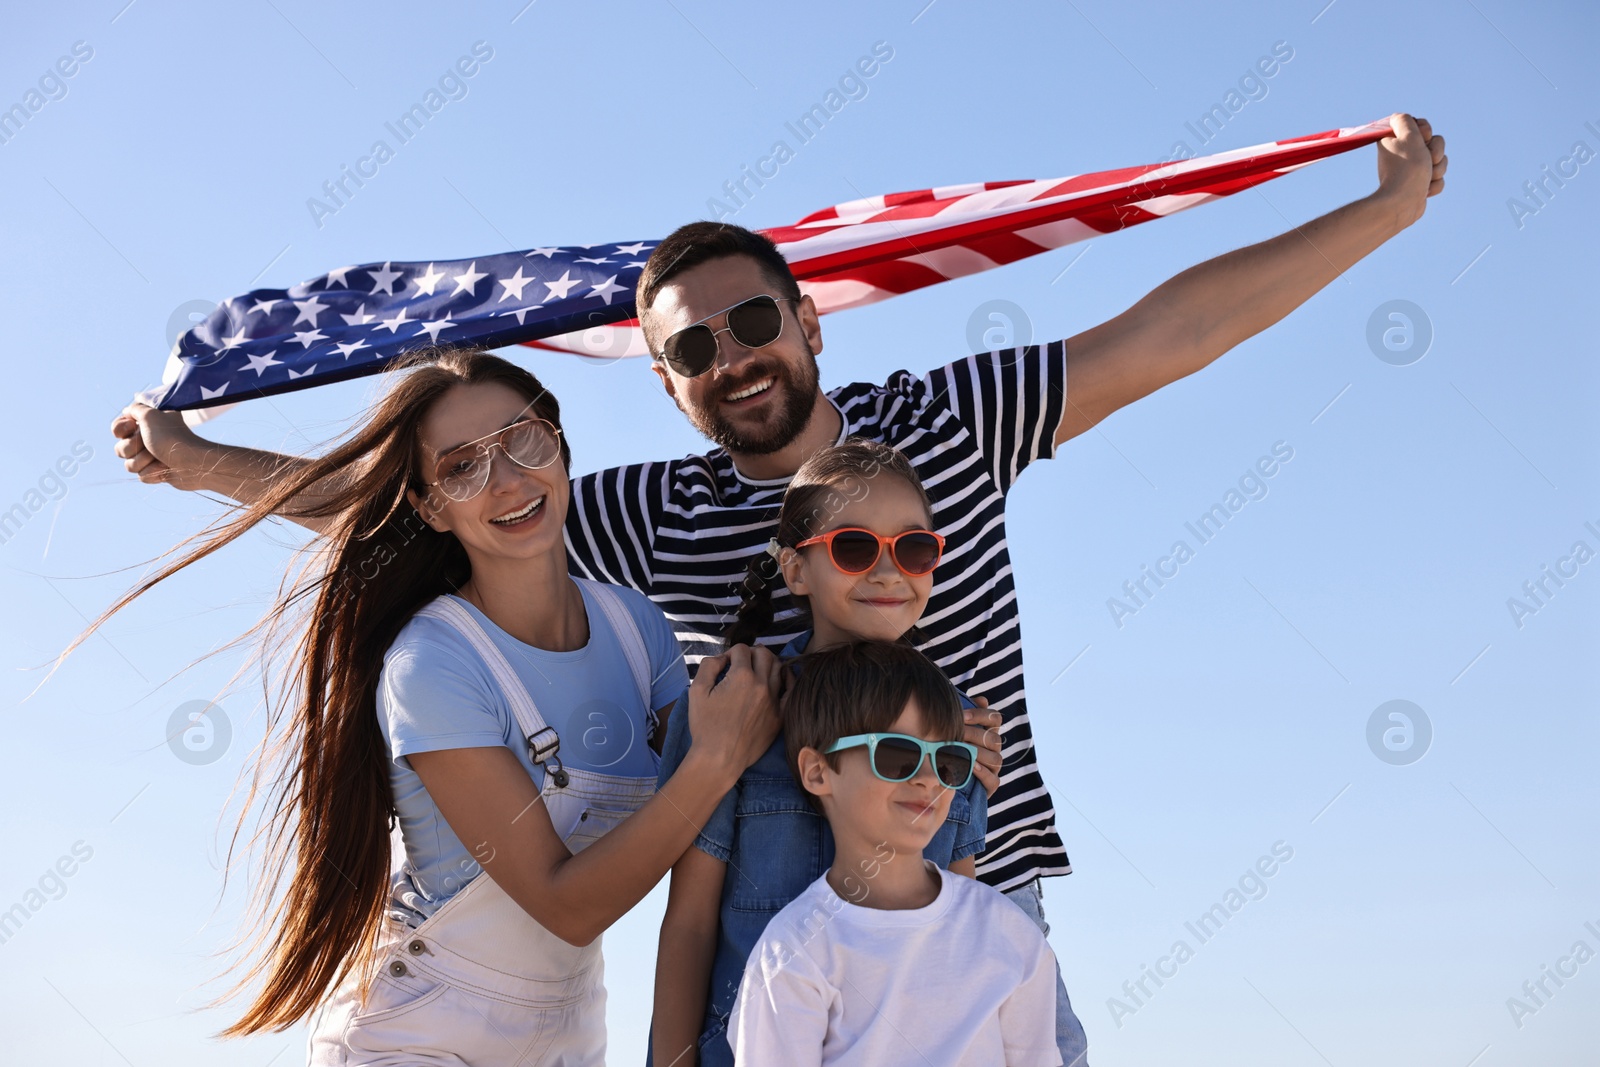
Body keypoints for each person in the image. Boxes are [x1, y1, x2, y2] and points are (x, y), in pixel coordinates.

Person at [111, 114, 1448, 1067]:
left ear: (811, 323)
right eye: (694, 347)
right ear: (668, 382)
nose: (734, 355)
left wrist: (1378, 212)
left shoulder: (947, 419)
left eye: (756, 321)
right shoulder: (657, 507)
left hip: (971, 888)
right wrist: (201, 463)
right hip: (763, 917)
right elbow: (431, 511)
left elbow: (1167, 335)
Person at [98, 348, 783, 1064]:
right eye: (461, 467)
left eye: (524, 438)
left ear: (558, 442)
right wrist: (714, 759)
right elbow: (569, 903)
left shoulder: (637, 629)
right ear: (429, 505)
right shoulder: (434, 663)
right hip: (419, 1028)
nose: (509, 479)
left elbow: (711, 833)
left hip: (572, 1028)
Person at [651, 440, 996, 1066]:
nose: (889, 572)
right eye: (855, 547)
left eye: (914, 549)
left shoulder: (958, 734)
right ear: (795, 570)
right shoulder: (735, 709)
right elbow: (690, 925)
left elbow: (958, 929)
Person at [727, 640, 1062, 1067]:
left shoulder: (1010, 935)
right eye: (896, 754)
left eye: (948, 761)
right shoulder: (793, 950)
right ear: (818, 771)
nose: (927, 779)